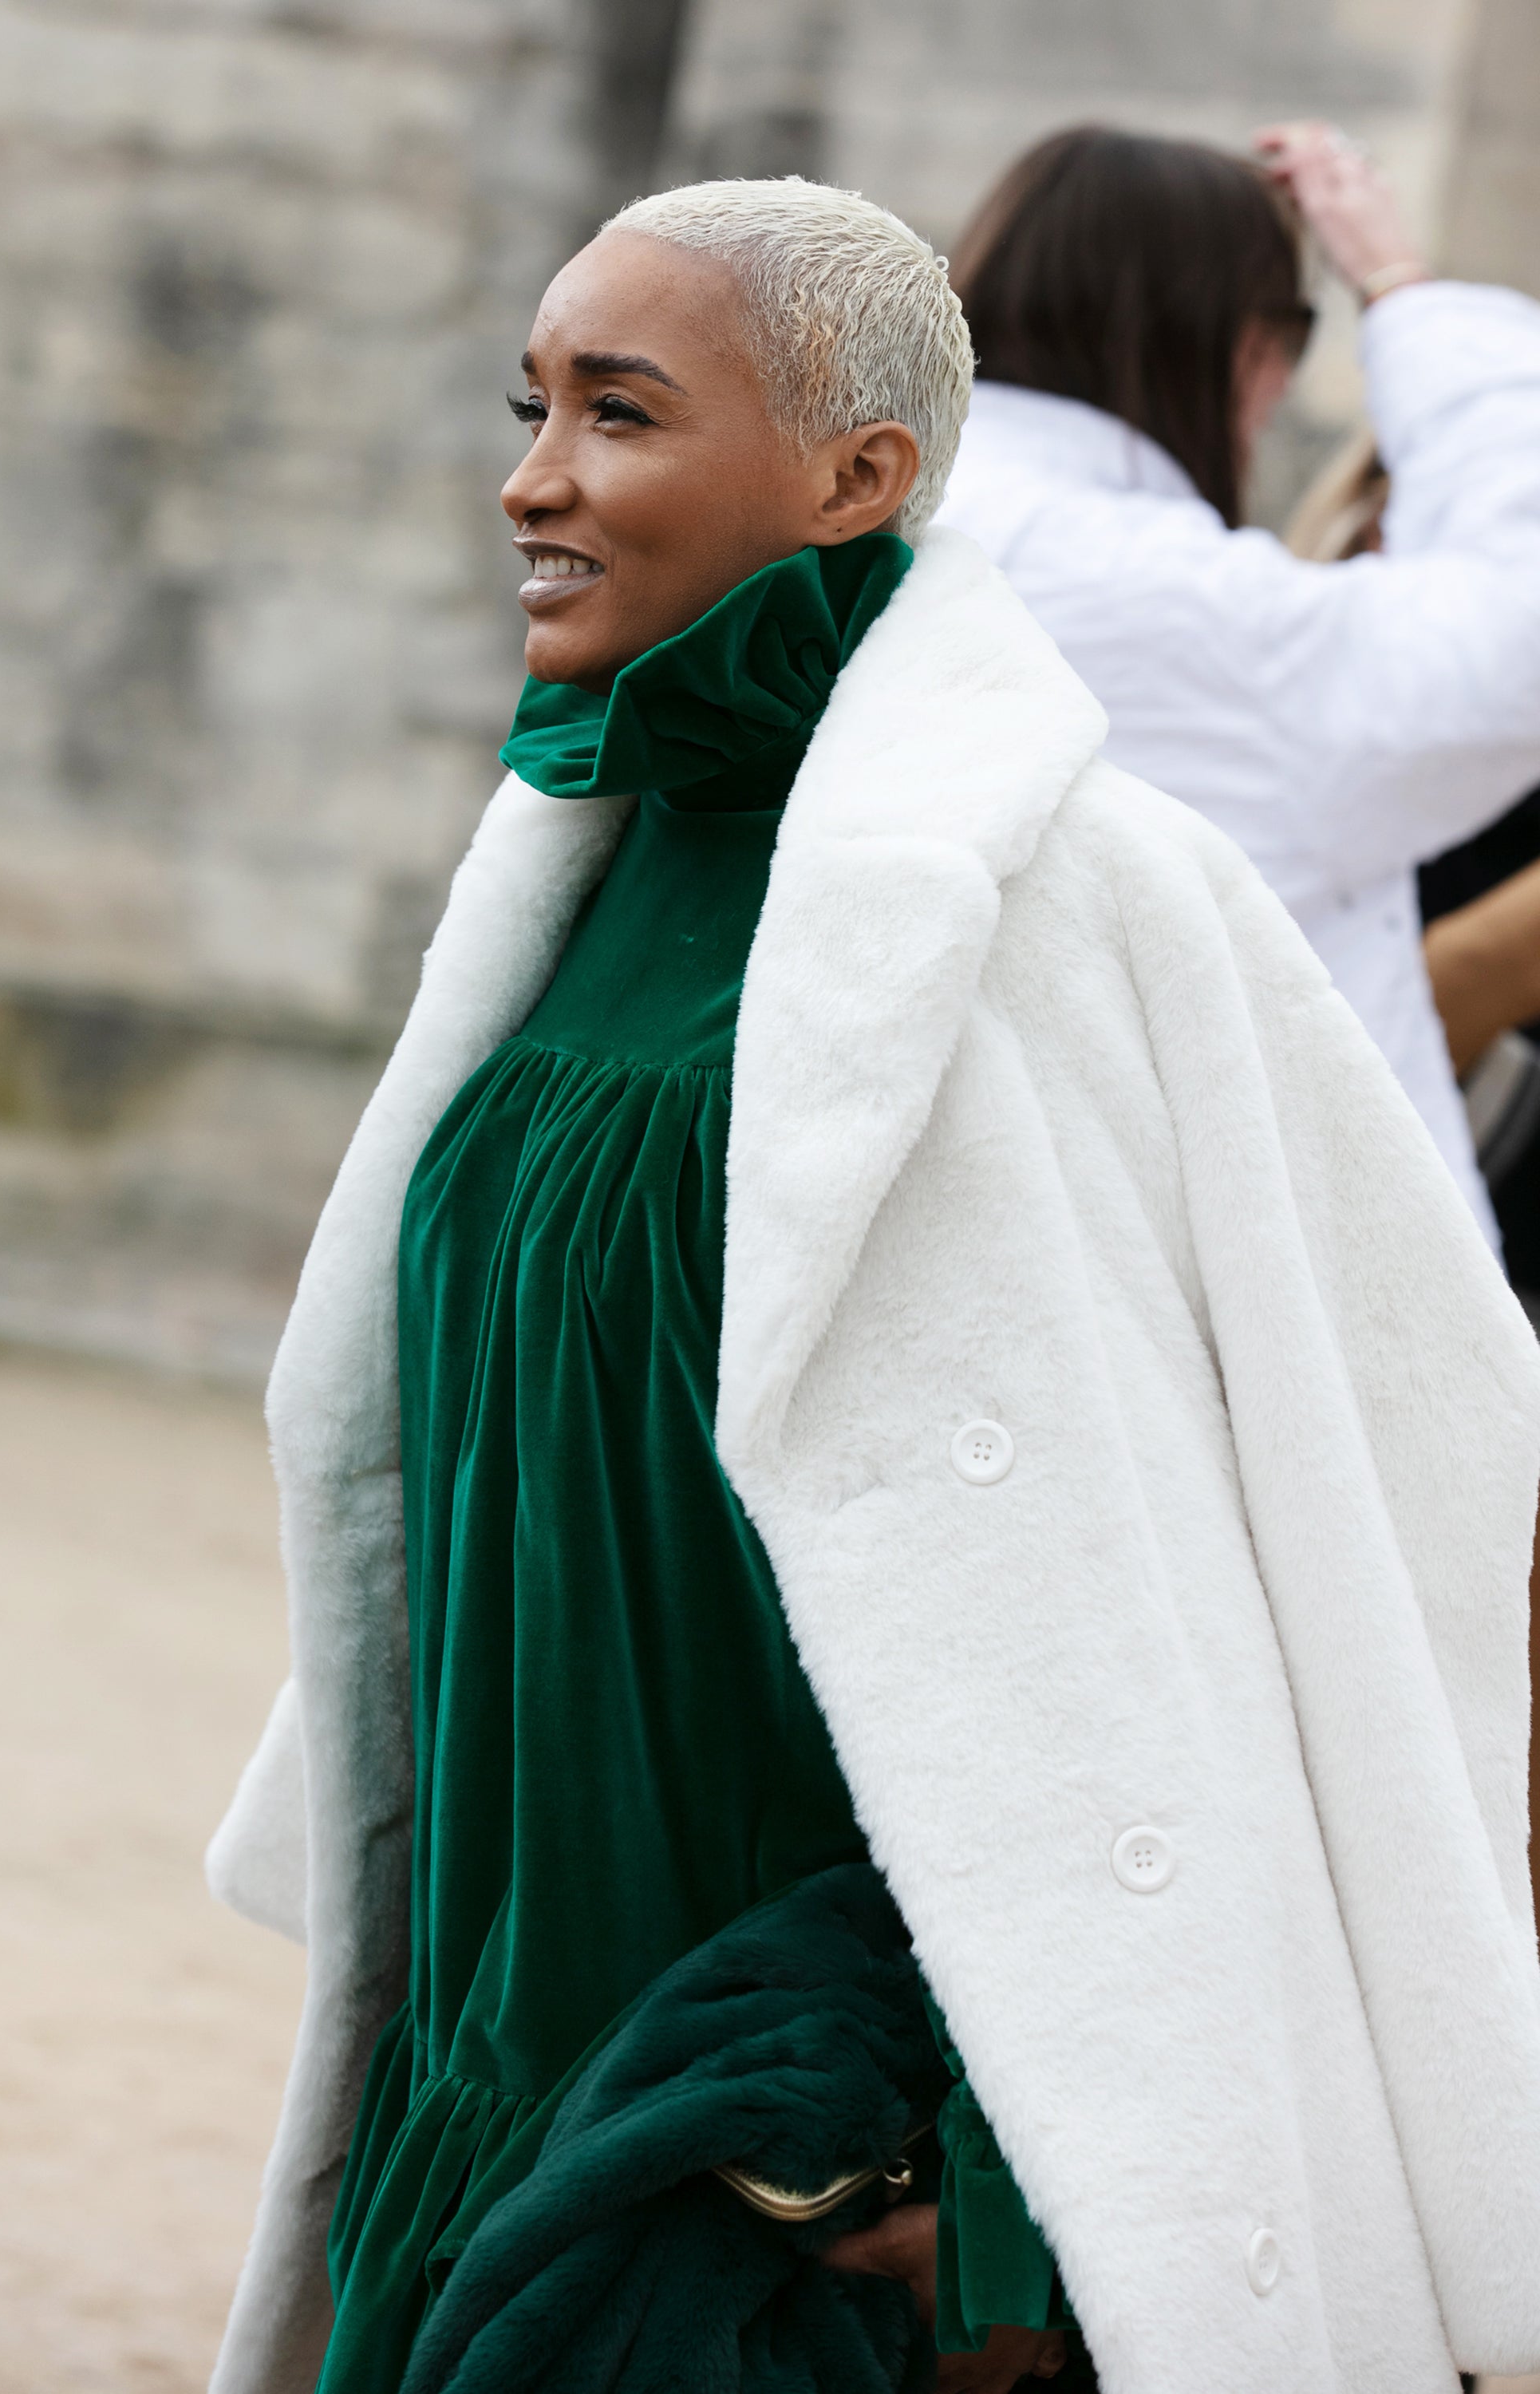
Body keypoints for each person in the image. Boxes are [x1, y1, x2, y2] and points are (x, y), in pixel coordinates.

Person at [204, 176, 1540, 2394]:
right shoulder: (577, 862)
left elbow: (1301, 1519)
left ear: (858, 474)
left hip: (792, 2185)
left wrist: (1000, 2199)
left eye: (618, 415)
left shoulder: (1064, 902)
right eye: (528, 406)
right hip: (496, 2074)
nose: (531, 480)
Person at [936, 120, 1540, 1239]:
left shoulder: (850, 529)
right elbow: (1519, 633)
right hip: (1184, 1286)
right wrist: (1405, 292)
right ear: (1247, 346)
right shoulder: (1175, 608)